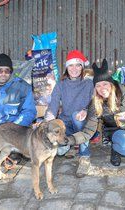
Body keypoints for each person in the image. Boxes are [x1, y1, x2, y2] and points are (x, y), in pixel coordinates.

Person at [65, 59, 125, 175]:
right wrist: (69, 140)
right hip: (119, 132)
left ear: (111, 83)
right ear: (95, 88)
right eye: (98, 86)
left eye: (105, 84)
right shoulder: (97, 104)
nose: (102, 88)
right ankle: (116, 149)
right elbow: (88, 132)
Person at [45, 50, 94, 178]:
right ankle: (71, 144)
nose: (74, 68)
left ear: (82, 67)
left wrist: (86, 110)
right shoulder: (61, 85)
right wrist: (46, 121)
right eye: (71, 65)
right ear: (66, 67)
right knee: (60, 151)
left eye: (78, 65)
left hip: (82, 122)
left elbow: (95, 104)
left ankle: (84, 157)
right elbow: (53, 105)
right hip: (65, 122)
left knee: (76, 117)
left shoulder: (89, 83)